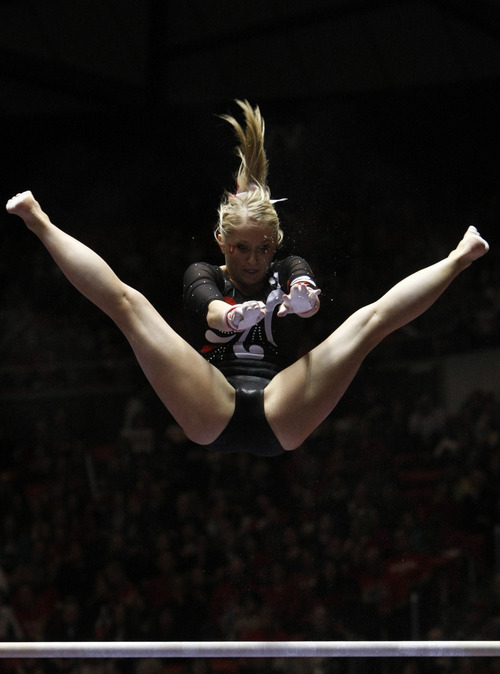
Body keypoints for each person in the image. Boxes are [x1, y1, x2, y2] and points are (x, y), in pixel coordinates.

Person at [6, 100, 490, 457]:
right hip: (212, 402)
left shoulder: (287, 268)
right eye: (241, 248)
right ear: (222, 242)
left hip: (282, 409)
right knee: (128, 307)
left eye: (263, 249)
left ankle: (458, 258)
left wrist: (304, 299)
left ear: (274, 245)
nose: (254, 260)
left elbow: (307, 293)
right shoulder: (202, 273)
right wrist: (234, 314)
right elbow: (209, 309)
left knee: (370, 323)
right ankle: (41, 223)